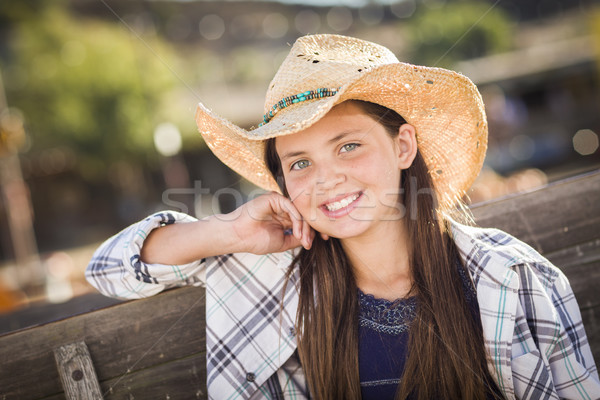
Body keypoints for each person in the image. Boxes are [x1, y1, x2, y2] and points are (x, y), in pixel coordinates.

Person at [86, 34, 600, 400]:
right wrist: (231, 231)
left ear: (403, 146)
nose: (326, 179)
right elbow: (107, 270)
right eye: (300, 163)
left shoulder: (512, 279)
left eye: (349, 145)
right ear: (283, 182)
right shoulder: (267, 278)